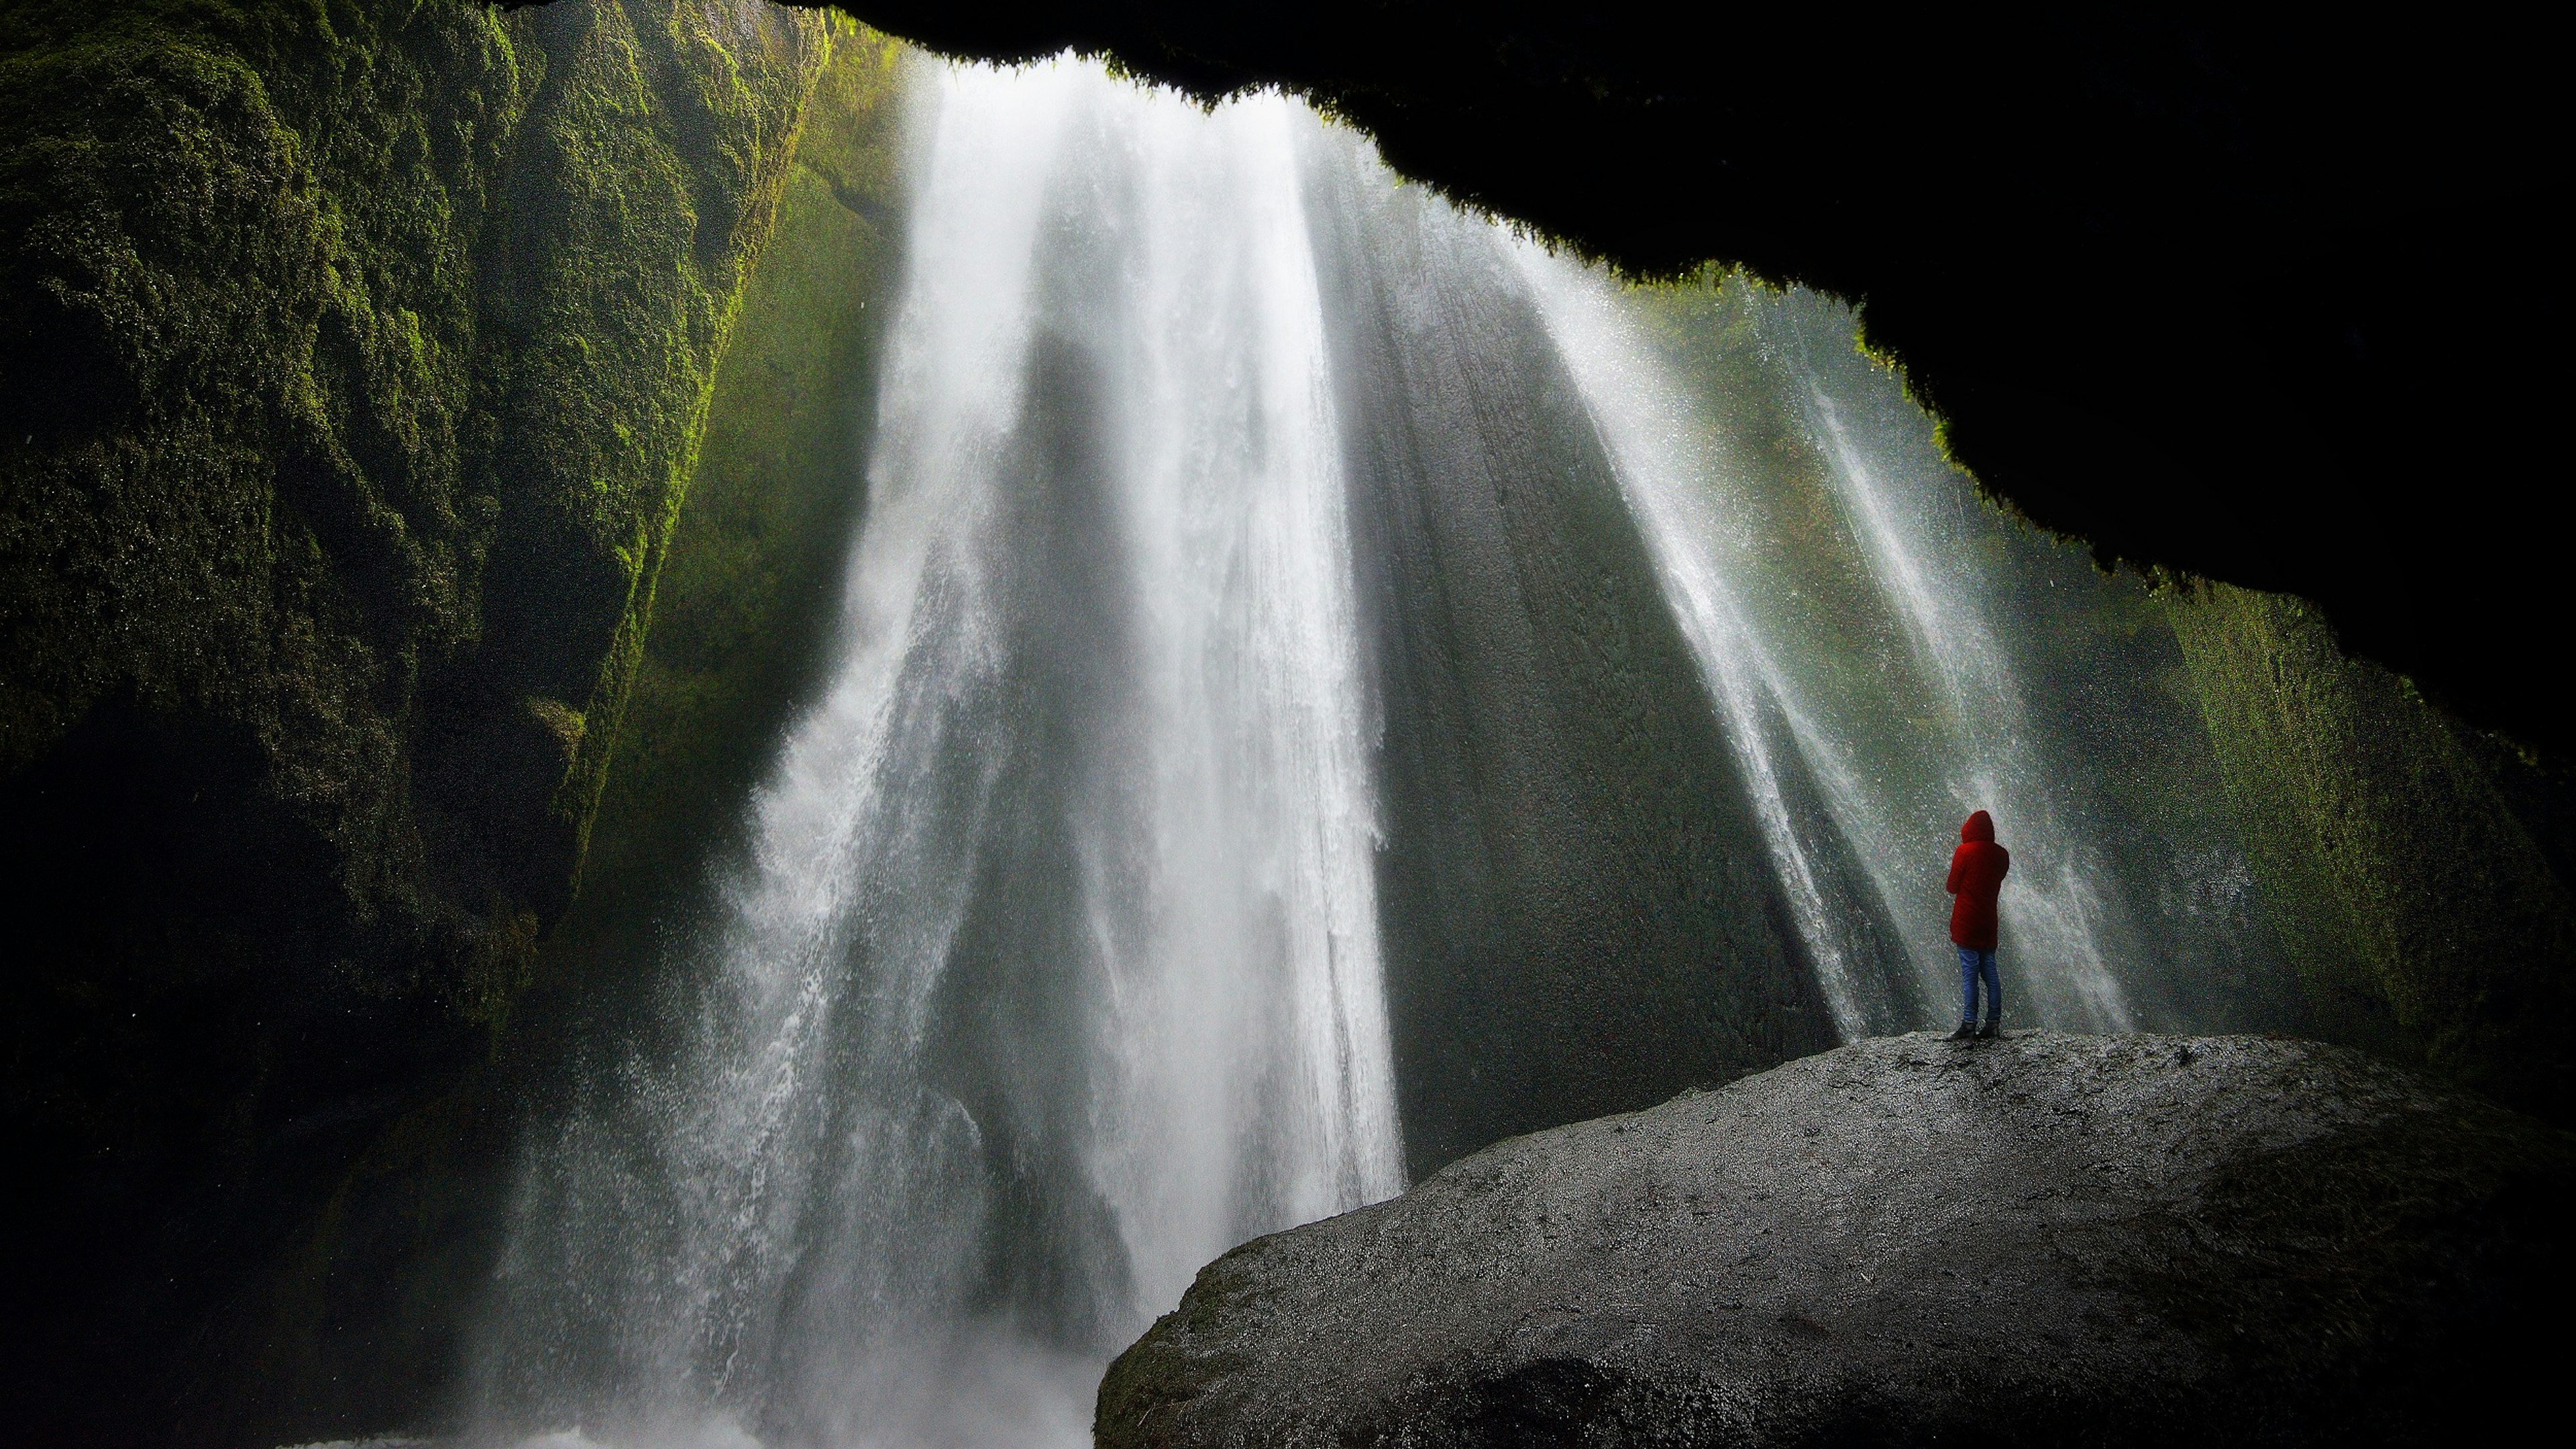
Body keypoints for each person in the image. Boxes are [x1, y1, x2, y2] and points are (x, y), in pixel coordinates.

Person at [1945, 809, 2009, 1040]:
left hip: (1967, 922)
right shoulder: (2002, 855)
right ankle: (1993, 1023)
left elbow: (1952, 886)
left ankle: (1969, 1024)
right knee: (1991, 974)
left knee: (1970, 974)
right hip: (1988, 921)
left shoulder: (1965, 851)